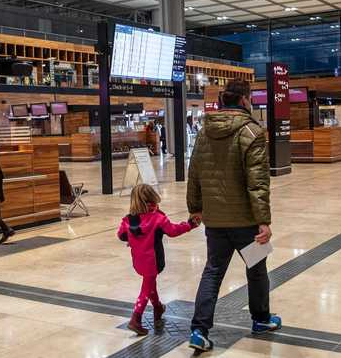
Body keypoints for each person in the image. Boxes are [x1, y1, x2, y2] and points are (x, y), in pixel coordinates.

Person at [186, 78, 281, 352]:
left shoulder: (204, 132)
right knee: (257, 269)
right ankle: (261, 319)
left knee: (213, 271)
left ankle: (199, 331)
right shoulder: (252, 131)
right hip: (246, 223)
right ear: (243, 100)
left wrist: (195, 208)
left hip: (215, 222)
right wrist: (264, 220)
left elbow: (194, 174)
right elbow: (258, 181)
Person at [118, 184, 199, 336]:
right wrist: (189, 225)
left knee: (150, 283)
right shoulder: (157, 218)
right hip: (154, 260)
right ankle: (136, 318)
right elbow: (173, 231)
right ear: (153, 199)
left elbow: (121, 235)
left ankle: (157, 308)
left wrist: (133, 239)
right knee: (145, 289)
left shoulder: (128, 220)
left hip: (138, 259)